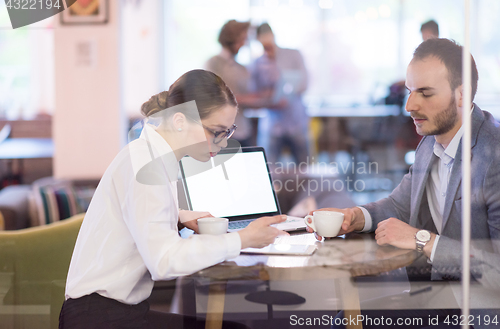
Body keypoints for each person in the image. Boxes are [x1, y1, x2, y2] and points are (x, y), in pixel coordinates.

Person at [59, 69, 288, 329]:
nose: (223, 143)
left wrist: (177, 216)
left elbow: (137, 213)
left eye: (229, 131)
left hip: (115, 312)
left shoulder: (152, 156)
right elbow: (164, 261)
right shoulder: (147, 165)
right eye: (217, 131)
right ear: (180, 121)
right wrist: (242, 238)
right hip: (99, 318)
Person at [308, 39, 500, 327]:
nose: (410, 105)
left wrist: (422, 240)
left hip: (480, 310)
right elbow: (400, 203)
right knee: (344, 319)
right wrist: (355, 217)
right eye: (410, 92)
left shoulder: (493, 155)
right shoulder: (430, 145)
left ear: (463, 94)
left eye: (425, 93)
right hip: (442, 294)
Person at [250, 23, 309, 165]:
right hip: (272, 123)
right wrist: (268, 97)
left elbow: (304, 83)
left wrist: (286, 93)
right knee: (268, 167)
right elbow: (254, 92)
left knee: (305, 168)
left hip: (296, 121)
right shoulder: (257, 63)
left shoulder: (293, 55)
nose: (267, 47)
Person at [205, 20, 254, 147]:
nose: (244, 43)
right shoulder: (213, 63)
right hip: (222, 134)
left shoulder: (242, 68)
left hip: (243, 130)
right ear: (231, 39)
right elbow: (216, 98)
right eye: (242, 39)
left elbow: (249, 96)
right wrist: (246, 99)